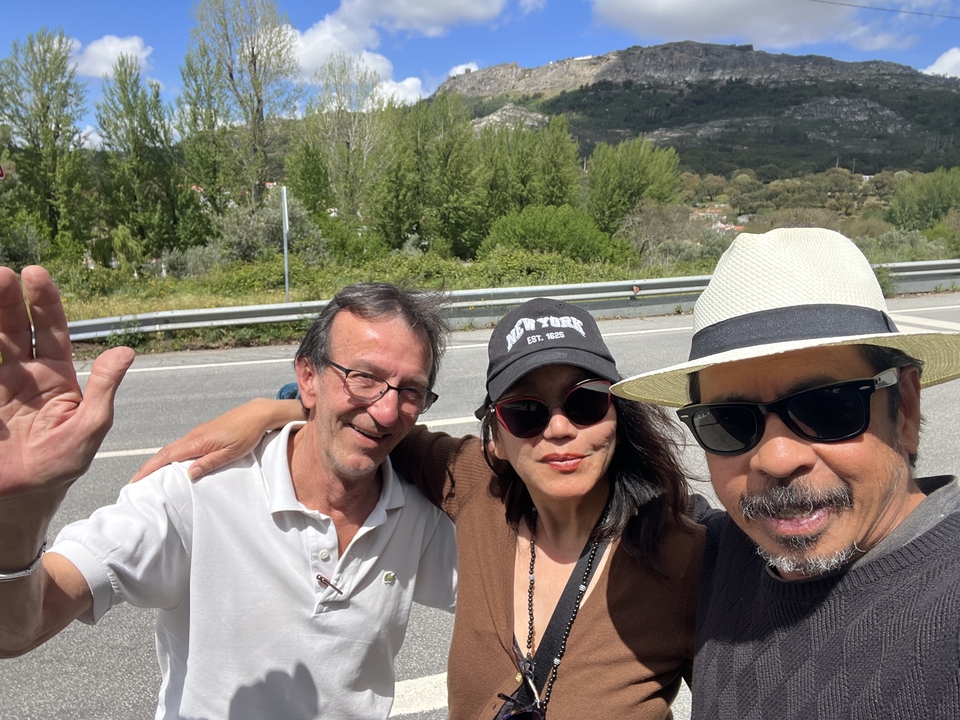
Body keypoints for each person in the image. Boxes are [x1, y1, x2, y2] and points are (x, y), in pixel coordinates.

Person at [136, 297, 706, 718]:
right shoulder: (477, 488)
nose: (559, 428)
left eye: (586, 403)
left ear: (619, 414)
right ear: (495, 439)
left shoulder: (686, 556)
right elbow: (370, 420)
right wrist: (274, 408)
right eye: (526, 413)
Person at [0, 270, 457, 719]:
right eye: (363, 376)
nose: (387, 409)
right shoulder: (197, 492)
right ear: (308, 376)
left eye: (411, 391)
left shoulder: (420, 514)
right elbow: (20, 628)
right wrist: (20, 515)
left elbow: (518, 590)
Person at [613, 227, 960, 719]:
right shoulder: (722, 552)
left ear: (903, 406)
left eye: (827, 407)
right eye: (731, 421)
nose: (775, 459)